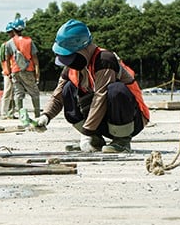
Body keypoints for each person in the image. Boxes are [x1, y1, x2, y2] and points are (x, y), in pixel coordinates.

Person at [35, 19, 150, 153]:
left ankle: (122, 141)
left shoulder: (104, 60)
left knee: (115, 90)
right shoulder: (72, 68)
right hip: (102, 121)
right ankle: (95, 140)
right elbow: (58, 95)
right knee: (67, 90)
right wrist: (46, 116)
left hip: (132, 120)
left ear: (83, 48)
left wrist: (86, 133)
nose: (68, 62)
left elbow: (101, 97)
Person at [4, 17, 41, 118]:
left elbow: (7, 60)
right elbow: (35, 58)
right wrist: (37, 72)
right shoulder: (29, 41)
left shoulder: (8, 43)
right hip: (28, 70)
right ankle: (37, 115)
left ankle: (22, 116)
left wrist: (9, 73)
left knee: (18, 93)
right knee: (34, 92)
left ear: (13, 29)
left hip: (15, 71)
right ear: (23, 29)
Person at [0, 22, 17, 119]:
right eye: (9, 32)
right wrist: (7, 72)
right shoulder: (5, 45)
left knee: (14, 93)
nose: (11, 34)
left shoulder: (17, 44)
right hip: (8, 72)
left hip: (16, 71)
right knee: (7, 91)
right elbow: (2, 60)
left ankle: (11, 113)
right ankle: (3, 112)